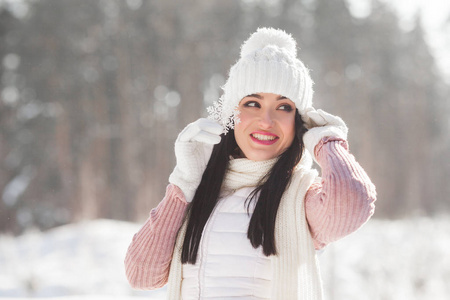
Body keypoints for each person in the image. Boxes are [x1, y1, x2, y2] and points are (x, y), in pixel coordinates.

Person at [125, 27, 376, 300]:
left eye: (283, 107)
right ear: (231, 116)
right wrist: (184, 183)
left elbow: (352, 205)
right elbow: (141, 274)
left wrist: (327, 142)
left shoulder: (303, 198)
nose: (266, 121)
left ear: (299, 123)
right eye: (253, 103)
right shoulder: (200, 195)